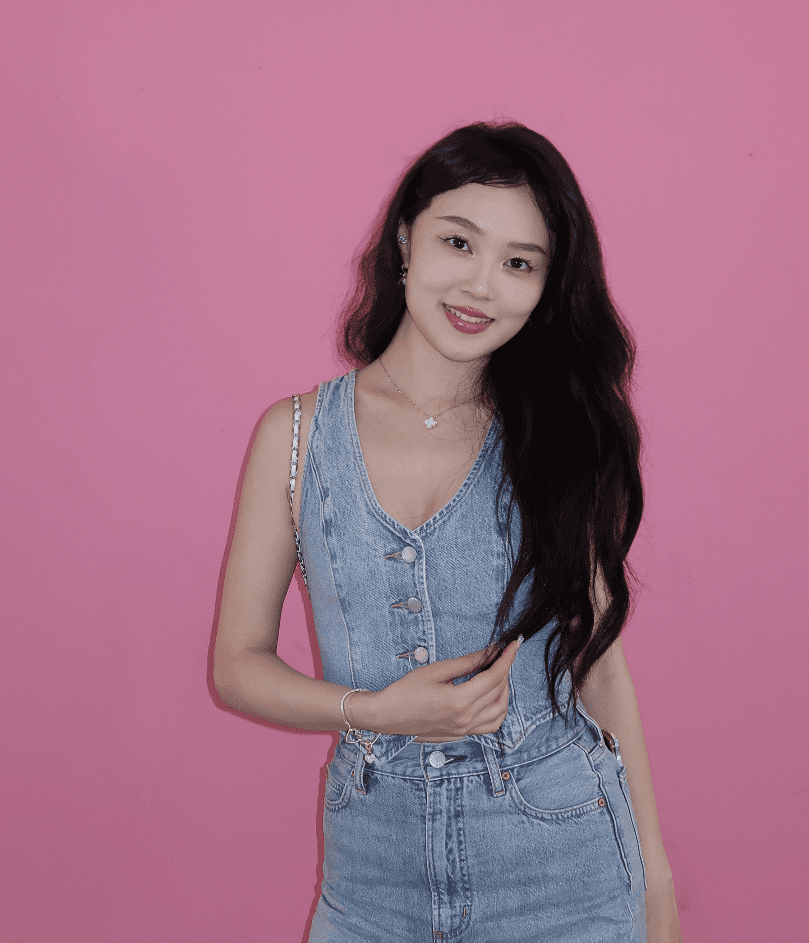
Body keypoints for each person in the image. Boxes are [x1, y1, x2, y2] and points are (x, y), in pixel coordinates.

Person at [214, 121, 682, 942]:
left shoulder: (561, 438)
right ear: (405, 238)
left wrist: (656, 882)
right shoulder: (293, 438)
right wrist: (374, 711)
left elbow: (600, 670)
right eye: (458, 242)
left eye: (519, 264)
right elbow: (237, 666)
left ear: (546, 286)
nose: (480, 288)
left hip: (566, 879)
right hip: (372, 893)